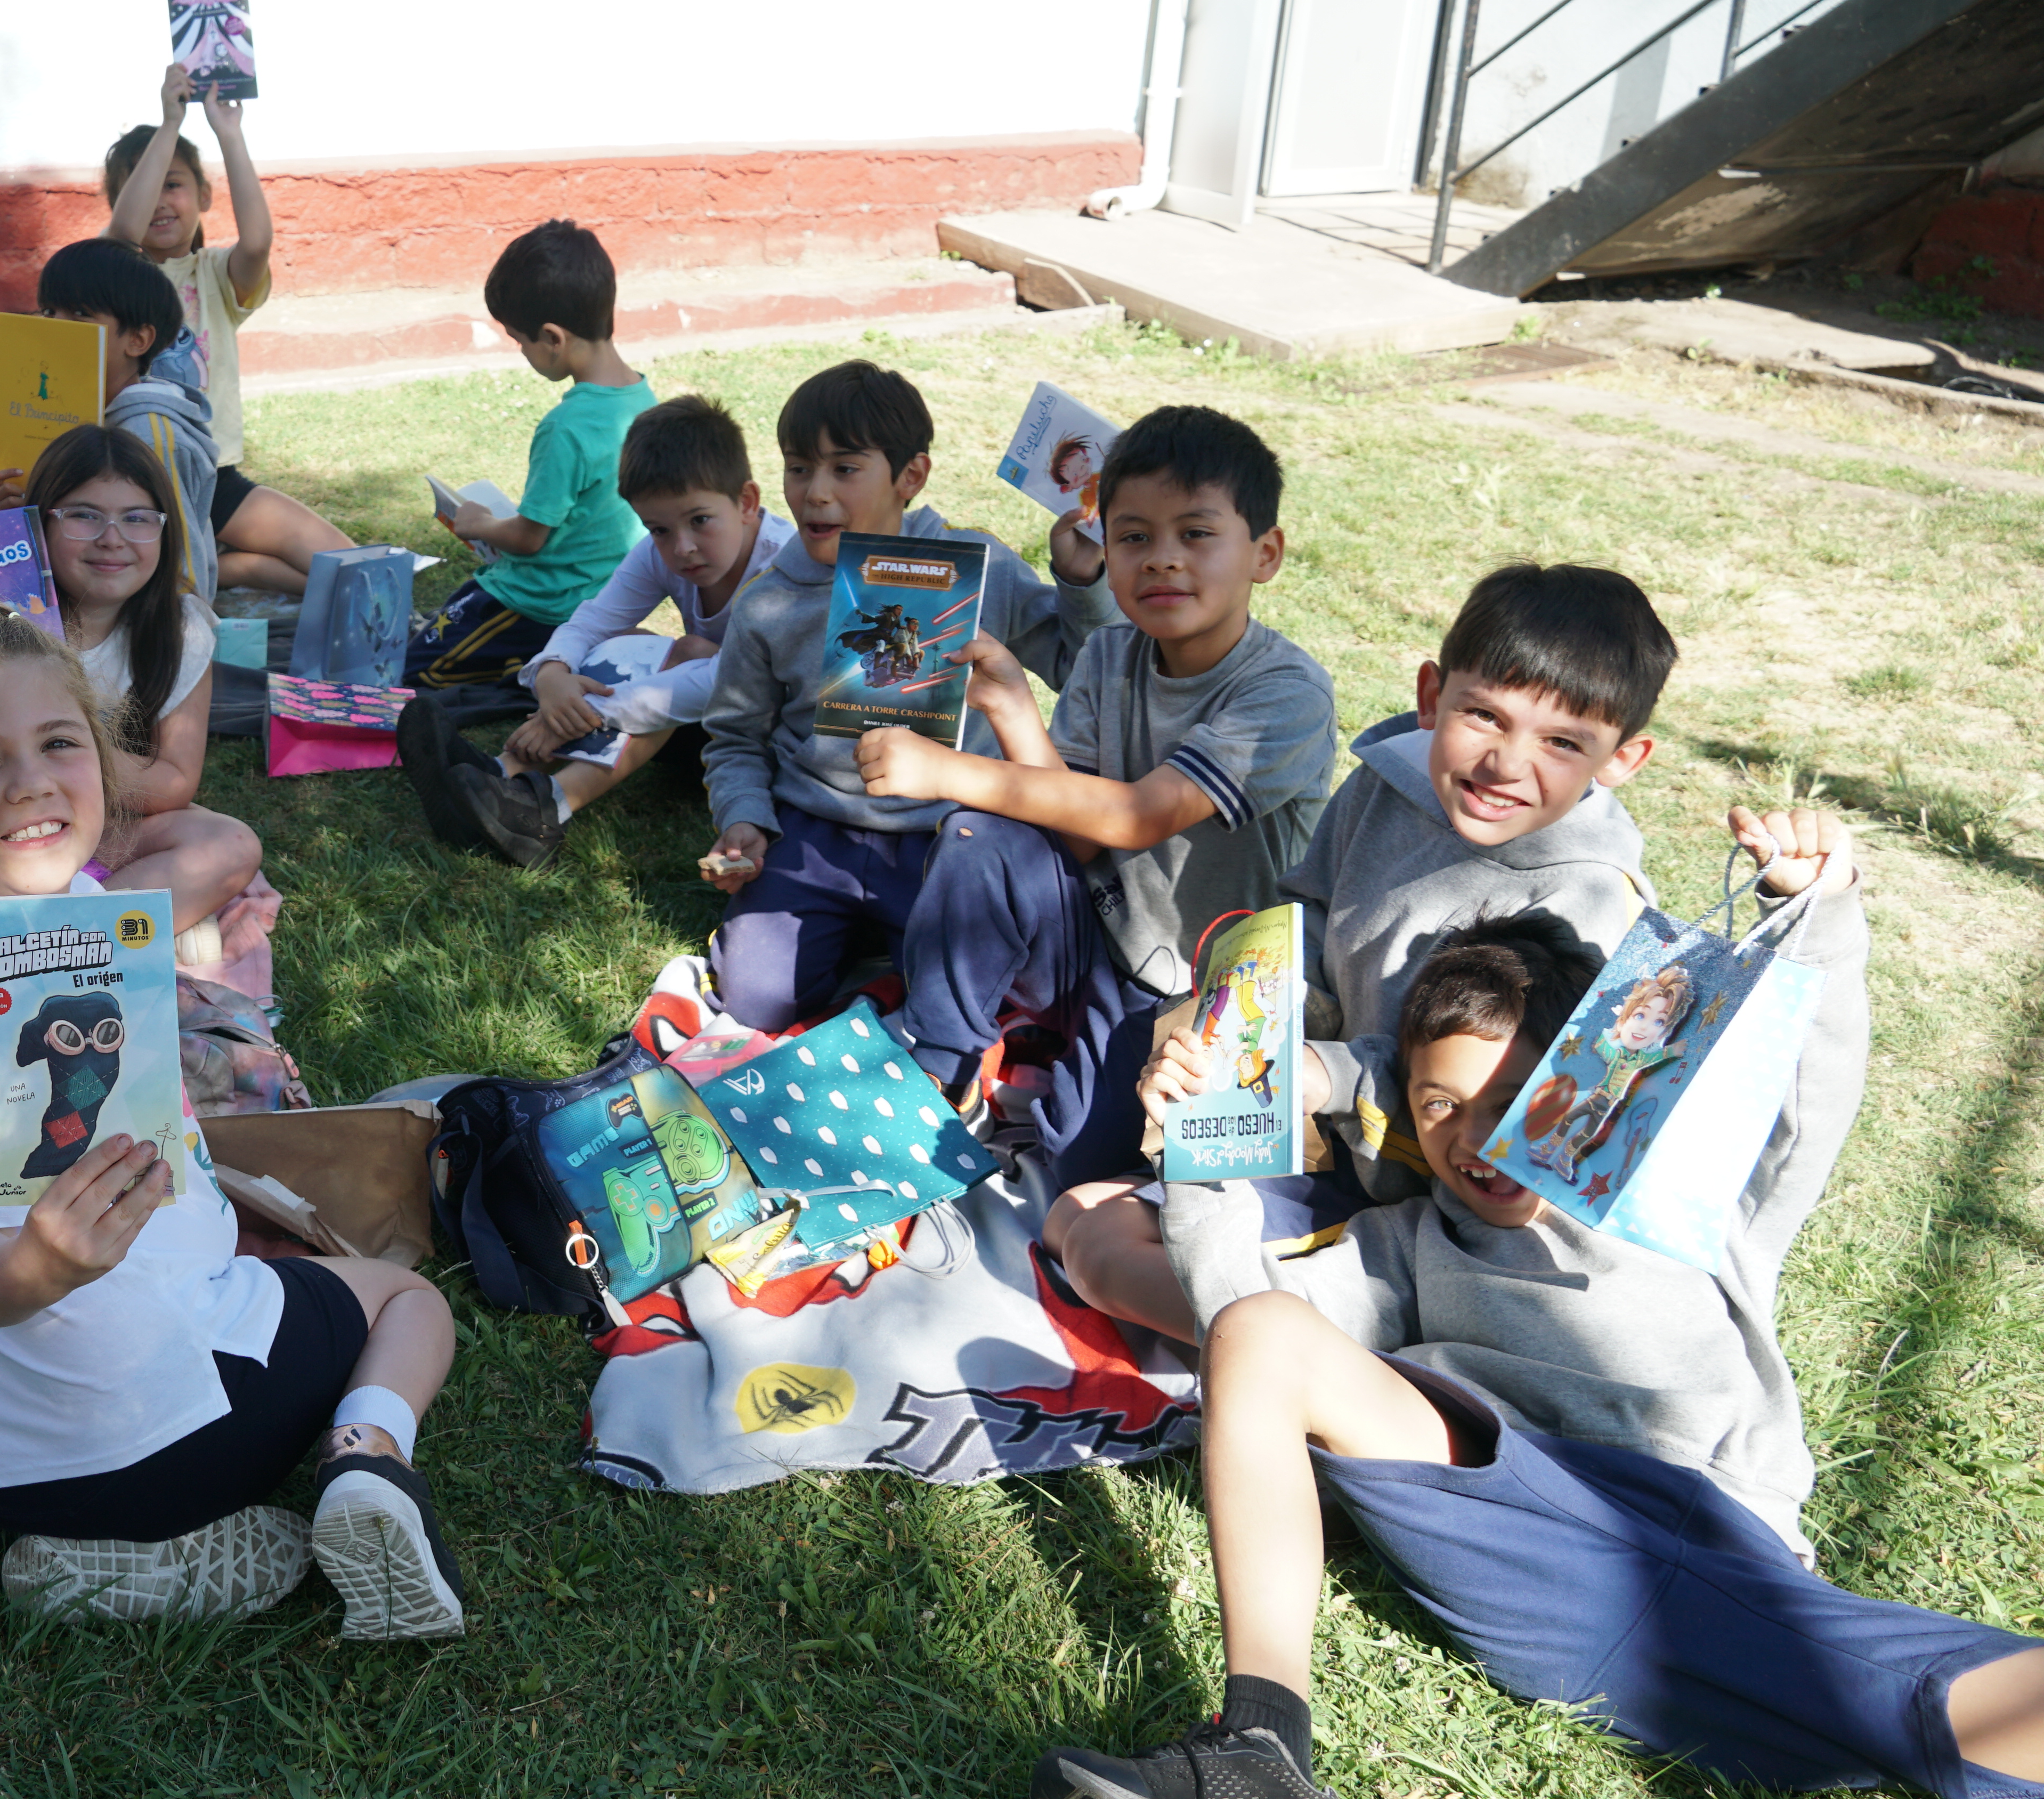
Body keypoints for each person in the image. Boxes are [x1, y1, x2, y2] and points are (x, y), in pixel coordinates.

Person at [1032, 822, 2044, 1799]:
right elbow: (1234, 1323)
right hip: (1523, 1548)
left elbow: (1807, 1100)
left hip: (1696, 1528)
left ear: (1586, 1083)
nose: (1478, 1133)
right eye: (1441, 1106)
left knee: (1935, 1699)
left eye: (1515, 1093)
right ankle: (1259, 1749)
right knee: (1262, 1332)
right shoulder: (1411, 1248)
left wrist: (1818, 909)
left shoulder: (1679, 1208)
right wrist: (1206, 1141)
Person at [0, 602, 463, 1636]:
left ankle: (112, 1538)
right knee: (409, 1303)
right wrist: (42, 1264)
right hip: (147, 1432)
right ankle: (359, 1465)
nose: (34, 781)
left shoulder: (29, 920)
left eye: (58, 743)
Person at [1044, 562, 1668, 1340]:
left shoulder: (1588, 906)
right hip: (1314, 1117)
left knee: (1096, 1244)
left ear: (1620, 762)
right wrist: (1246, 1024)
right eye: (1483, 716)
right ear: (1432, 696)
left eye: (1563, 742)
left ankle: (1327, 1365)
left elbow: (1493, 1115)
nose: (1507, 764)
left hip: (1426, 1203)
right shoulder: (1386, 789)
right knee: (1068, 1197)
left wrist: (1324, 1076)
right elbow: (1309, 907)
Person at [854, 405, 1335, 1195]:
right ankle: (938, 1073)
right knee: (982, 836)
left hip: (1197, 994)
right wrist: (1012, 707)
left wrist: (945, 770)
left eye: (1197, 534)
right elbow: (1077, 837)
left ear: (1266, 554)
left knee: (1084, 1165)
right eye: (1135, 537)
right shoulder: (1111, 651)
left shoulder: (1286, 693)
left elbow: (1137, 817)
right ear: (1106, 547)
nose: (1163, 561)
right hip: (1100, 936)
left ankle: (1044, 1050)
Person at [696, 359, 1116, 1033]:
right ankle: (850, 940)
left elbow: (1082, 667)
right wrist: (745, 818)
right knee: (755, 1005)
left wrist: (1079, 581)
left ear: (911, 476)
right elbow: (737, 736)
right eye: (798, 468)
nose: (815, 493)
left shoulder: (977, 566)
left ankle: (888, 952)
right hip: (813, 833)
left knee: (968, 1012)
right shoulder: (769, 600)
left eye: (845, 468)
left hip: (947, 840)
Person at [402, 395, 794, 867]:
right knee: (631, 640)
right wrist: (551, 674)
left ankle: (544, 810)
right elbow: (592, 620)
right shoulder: (660, 552)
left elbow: (727, 679)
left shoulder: (786, 570)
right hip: (706, 727)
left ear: (747, 502)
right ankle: (497, 775)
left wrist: (585, 712)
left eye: (700, 521)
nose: (682, 547)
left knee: (694, 653)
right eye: (659, 530)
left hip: (763, 756)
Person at [101, 61, 354, 597]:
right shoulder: (113, 279)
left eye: (175, 184)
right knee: (172, 596)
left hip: (216, 477)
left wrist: (229, 134)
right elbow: (122, 236)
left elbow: (257, 243)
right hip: (137, 487)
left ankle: (228, 566)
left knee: (351, 566)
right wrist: (170, 124)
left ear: (203, 195)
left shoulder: (214, 276)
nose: (162, 203)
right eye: (149, 189)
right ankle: (218, 568)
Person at [27, 424, 259, 934]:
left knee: (231, 846)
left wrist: (54, 748)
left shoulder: (182, 630)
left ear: (165, 531)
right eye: (84, 516)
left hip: (99, 831)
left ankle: (60, 942)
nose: (112, 540)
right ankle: (59, 933)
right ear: (38, 525)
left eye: (137, 519)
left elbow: (174, 781)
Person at [408, 219, 655, 691]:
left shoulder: (566, 428)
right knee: (439, 628)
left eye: (520, 340)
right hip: (598, 605)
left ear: (553, 338)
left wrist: (477, 523)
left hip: (536, 605)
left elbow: (528, 539)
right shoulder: (644, 402)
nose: (521, 351)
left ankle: (525, 664)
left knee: (406, 671)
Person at [19, 237, 223, 611]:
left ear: (138, 340)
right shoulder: (55, 418)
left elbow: (184, 572)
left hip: (143, 637)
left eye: (80, 315)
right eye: (49, 313)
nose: (57, 331)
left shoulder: (151, 435)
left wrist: (169, 648)